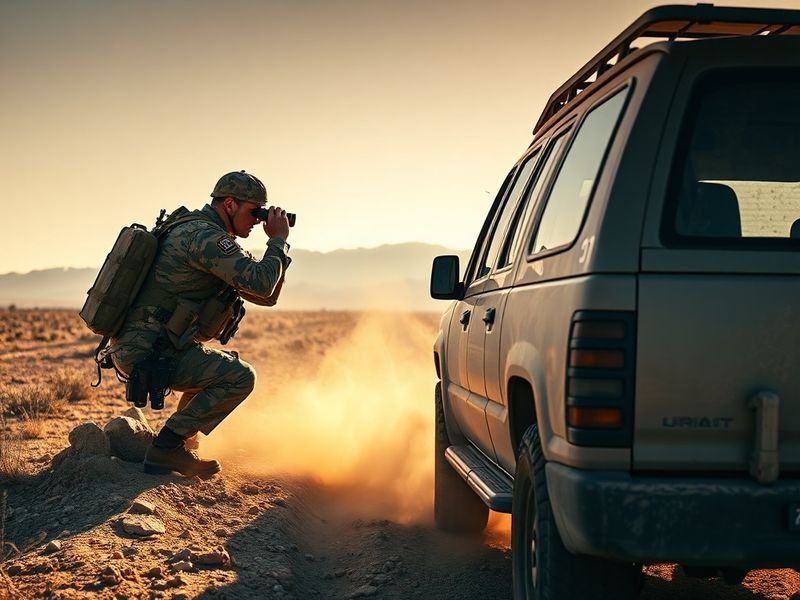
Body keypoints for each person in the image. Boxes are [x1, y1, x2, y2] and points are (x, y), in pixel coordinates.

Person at [109, 170, 291, 477]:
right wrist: (277, 242)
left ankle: (181, 442)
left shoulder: (203, 233)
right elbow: (261, 284)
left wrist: (277, 249)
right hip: (149, 349)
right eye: (254, 211)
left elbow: (266, 295)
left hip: (147, 344)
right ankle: (167, 448)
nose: (259, 220)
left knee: (218, 367)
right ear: (230, 204)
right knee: (239, 376)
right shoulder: (205, 238)